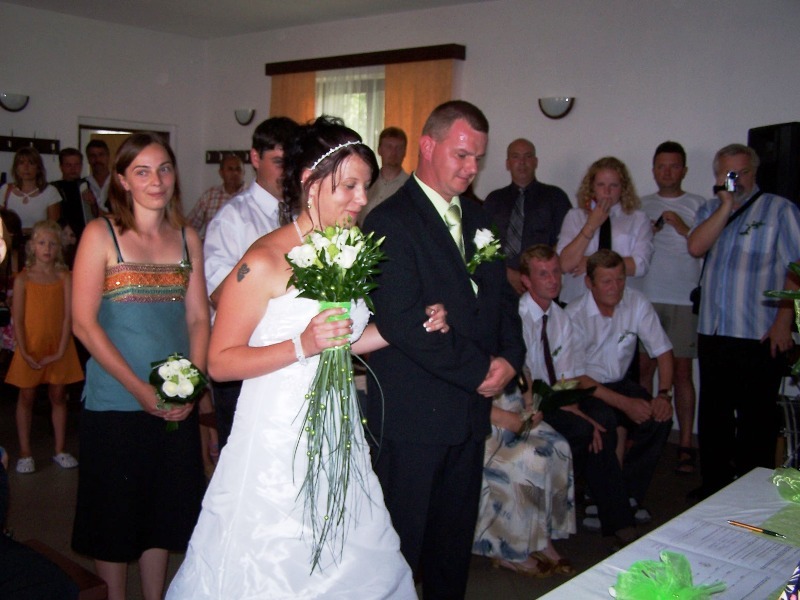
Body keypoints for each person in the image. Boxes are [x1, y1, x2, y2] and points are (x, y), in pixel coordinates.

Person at [167, 116, 448, 599]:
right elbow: (220, 362)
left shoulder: (346, 250)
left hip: (338, 426)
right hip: (276, 435)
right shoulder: (262, 260)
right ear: (309, 182)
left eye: (365, 187)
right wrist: (302, 344)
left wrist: (410, 327)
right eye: (350, 186)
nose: (361, 199)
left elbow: (343, 341)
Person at [363, 100, 526, 599]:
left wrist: (510, 359)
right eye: (462, 155)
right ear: (428, 146)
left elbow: (503, 301)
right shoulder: (390, 220)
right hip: (414, 415)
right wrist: (481, 370)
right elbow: (404, 321)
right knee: (397, 552)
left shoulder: (480, 217)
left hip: (468, 414)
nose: (472, 168)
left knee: (451, 551)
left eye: (478, 157)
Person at [71, 132, 207, 600]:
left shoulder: (187, 237)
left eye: (164, 169)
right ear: (123, 180)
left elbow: (198, 318)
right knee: (114, 520)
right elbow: (84, 324)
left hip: (174, 402)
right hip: (116, 401)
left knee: (161, 516)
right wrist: (138, 389)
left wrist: (193, 386)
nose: (156, 181)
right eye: (142, 171)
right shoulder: (100, 234)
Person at [687, 143, 800, 498]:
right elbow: (696, 247)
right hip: (714, 330)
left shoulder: (780, 210)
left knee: (756, 420)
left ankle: (751, 494)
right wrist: (725, 205)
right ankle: (714, 487)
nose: (735, 179)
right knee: (714, 416)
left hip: (758, 332)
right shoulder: (710, 209)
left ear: (755, 172)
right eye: (727, 173)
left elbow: (796, 269)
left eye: (742, 172)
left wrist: (784, 321)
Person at [516, 244, 643, 549]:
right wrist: (576, 413)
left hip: (558, 395)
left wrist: (577, 408)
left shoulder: (560, 317)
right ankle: (609, 515)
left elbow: (567, 377)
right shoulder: (518, 317)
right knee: (586, 430)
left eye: (556, 272)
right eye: (543, 274)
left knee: (603, 421)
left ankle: (611, 515)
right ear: (526, 281)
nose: (553, 280)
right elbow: (526, 380)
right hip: (527, 400)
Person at [203, 116, 298, 450]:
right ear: (255, 158)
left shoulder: (301, 215)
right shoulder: (232, 219)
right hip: (243, 361)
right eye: (279, 162)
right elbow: (219, 295)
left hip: (292, 361)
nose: (287, 173)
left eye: (293, 163)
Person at [566, 250, 674, 525]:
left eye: (620, 279)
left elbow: (663, 352)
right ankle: (599, 497)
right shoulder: (574, 314)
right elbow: (576, 377)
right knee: (603, 420)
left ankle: (627, 492)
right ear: (589, 283)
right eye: (607, 281)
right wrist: (626, 404)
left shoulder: (636, 302)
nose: (615, 287)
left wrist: (663, 394)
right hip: (586, 387)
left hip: (620, 382)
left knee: (660, 418)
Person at [630, 141, 704, 474]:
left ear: (684, 170)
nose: (667, 172)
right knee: (644, 369)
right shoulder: (640, 205)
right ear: (653, 170)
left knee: (682, 373)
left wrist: (682, 227)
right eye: (661, 166)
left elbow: (706, 247)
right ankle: (645, 436)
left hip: (683, 298)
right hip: (646, 297)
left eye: (674, 166)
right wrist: (649, 230)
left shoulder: (699, 204)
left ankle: (685, 442)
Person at [6, 220, 83, 474]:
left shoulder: (64, 277)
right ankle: (25, 453)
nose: (47, 248)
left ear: (59, 247)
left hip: (59, 347)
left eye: (52, 243)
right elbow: (17, 318)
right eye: (42, 243)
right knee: (26, 396)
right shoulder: (23, 279)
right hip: (30, 347)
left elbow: (68, 316)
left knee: (58, 396)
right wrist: (24, 351)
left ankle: (60, 449)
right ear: (32, 247)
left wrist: (61, 349)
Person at [557, 156, 653, 305]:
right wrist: (591, 224)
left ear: (623, 188)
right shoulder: (575, 216)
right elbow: (565, 264)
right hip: (577, 302)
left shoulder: (638, 219)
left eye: (613, 185)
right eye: (601, 184)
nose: (607, 191)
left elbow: (640, 265)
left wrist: (591, 262)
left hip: (622, 304)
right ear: (592, 187)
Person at [483, 138, 571, 294]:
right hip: (501, 281)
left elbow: (565, 242)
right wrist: (507, 272)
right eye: (515, 156)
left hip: (542, 285)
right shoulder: (494, 200)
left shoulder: (555, 197)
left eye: (528, 156)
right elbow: (483, 243)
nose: (522, 162)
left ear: (536, 162)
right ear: (508, 163)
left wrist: (536, 275)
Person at [51, 147, 99, 267]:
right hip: (61, 237)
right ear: (61, 167)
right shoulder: (54, 188)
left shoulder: (87, 185)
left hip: (84, 237)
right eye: (68, 165)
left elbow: (96, 215)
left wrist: (93, 202)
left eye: (77, 164)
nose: (73, 169)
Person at [0, 147, 62, 233]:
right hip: (11, 239)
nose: (26, 167)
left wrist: (29, 231)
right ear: (16, 168)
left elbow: (53, 227)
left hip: (39, 239)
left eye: (31, 163)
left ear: (38, 168)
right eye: (21, 163)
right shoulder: (6, 189)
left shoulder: (50, 191)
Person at [186, 153, 245, 239]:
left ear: (243, 173)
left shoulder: (251, 197)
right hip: (212, 245)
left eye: (238, 169)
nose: (235, 173)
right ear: (221, 173)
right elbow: (190, 226)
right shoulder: (210, 196)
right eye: (230, 169)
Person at [359, 126, 409, 223]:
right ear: (379, 150)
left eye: (399, 148)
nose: (394, 152)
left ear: (405, 152)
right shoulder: (366, 183)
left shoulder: (409, 186)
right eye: (389, 146)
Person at [85, 139, 112, 212]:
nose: (97, 159)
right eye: (92, 156)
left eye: (101, 155)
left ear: (108, 157)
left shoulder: (120, 183)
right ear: (88, 159)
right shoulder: (83, 186)